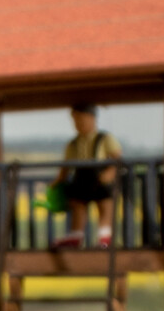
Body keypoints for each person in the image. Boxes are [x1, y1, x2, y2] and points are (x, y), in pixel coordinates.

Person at [50, 103, 123, 248]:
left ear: (92, 118)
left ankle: (104, 236)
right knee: (77, 205)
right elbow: (65, 167)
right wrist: (59, 180)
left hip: (99, 178)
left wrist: (111, 172)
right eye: (76, 121)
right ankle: (76, 235)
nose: (79, 124)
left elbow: (117, 158)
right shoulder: (73, 144)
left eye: (82, 119)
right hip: (81, 178)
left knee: (105, 205)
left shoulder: (104, 138)